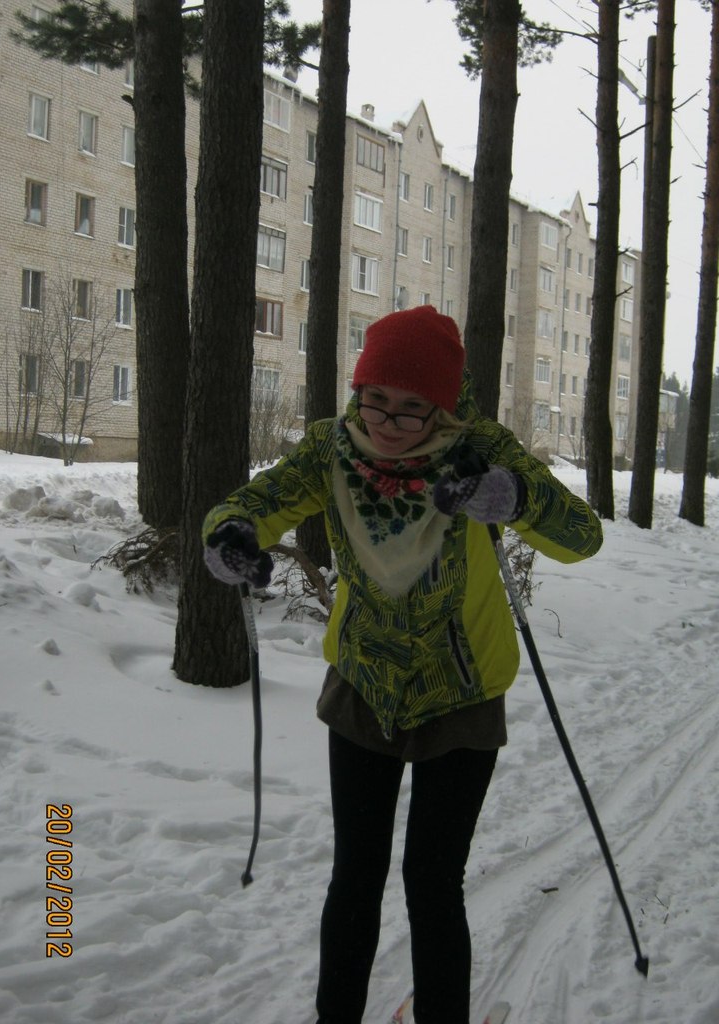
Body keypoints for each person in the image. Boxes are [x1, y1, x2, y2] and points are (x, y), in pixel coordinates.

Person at [202, 305, 603, 1024]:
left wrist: (510, 497)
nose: (386, 422)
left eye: (412, 409)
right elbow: (256, 502)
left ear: (443, 407)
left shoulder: (479, 452)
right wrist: (231, 532)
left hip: (462, 693)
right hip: (363, 683)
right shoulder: (332, 449)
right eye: (374, 400)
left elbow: (581, 536)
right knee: (355, 875)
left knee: (431, 880)